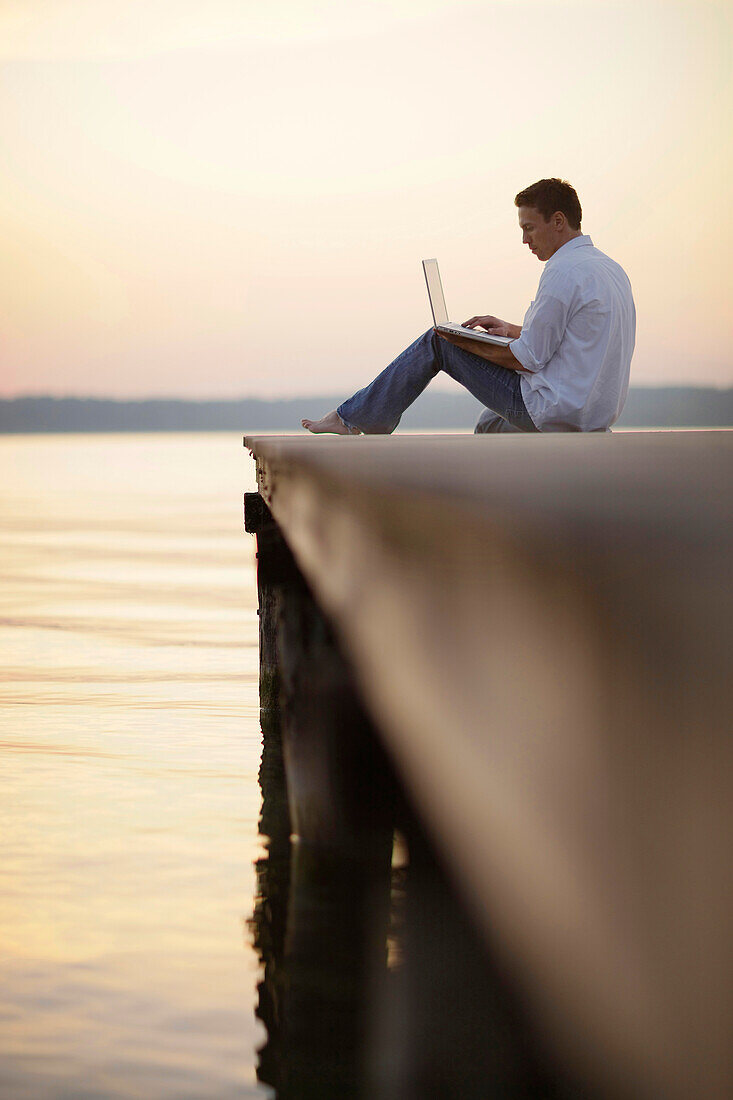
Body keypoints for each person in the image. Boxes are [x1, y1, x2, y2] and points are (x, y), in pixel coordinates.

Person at [301, 178, 636, 435]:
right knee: (489, 425)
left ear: (559, 221)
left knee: (438, 340)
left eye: (529, 228)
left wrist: (464, 343)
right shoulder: (609, 269)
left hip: (551, 412)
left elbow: (529, 359)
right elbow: (576, 335)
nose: (525, 240)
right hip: (589, 417)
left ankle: (353, 418)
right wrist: (510, 330)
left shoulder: (562, 272)